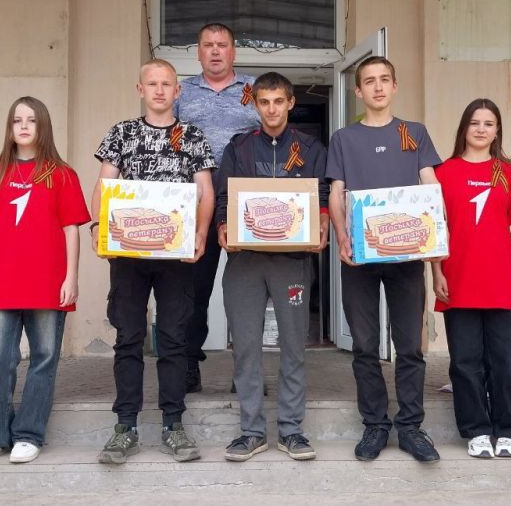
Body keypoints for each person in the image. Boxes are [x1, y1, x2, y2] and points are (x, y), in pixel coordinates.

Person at [90, 58, 215, 464]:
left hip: (175, 255)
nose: (160, 90)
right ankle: (125, 426)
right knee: (128, 337)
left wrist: (200, 233)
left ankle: (173, 425)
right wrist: (98, 227)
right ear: (140, 89)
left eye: (167, 84)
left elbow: (205, 191)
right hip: (128, 253)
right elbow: (105, 184)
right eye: (152, 84)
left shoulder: (193, 136)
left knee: (174, 338)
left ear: (178, 91)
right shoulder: (121, 133)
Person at [326, 56, 443, 463]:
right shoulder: (344, 138)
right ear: (358, 91)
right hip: (359, 255)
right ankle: (375, 425)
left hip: (406, 255)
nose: (377, 87)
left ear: (395, 86)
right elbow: (336, 192)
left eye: (384, 80)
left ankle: (410, 427)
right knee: (364, 345)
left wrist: (436, 242)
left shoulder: (414, 133)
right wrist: (342, 237)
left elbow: (431, 188)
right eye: (369, 81)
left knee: (409, 345)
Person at [214, 72, 330, 462]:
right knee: (246, 348)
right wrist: (223, 225)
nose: (272, 109)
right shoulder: (239, 147)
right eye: (264, 102)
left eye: (279, 101)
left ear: (291, 103)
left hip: (292, 262)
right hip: (245, 261)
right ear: (255, 104)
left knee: (293, 346)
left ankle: (292, 430)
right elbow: (224, 195)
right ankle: (251, 432)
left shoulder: (311, 148)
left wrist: (323, 222)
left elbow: (322, 194)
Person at [0, 97, 90, 465]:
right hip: (3, 283)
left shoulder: (62, 174)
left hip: (48, 281)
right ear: (9, 128)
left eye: (32, 120)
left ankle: (28, 434)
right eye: (17, 120)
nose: (23, 126)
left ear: (43, 127)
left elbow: (71, 229)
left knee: (43, 358)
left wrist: (71, 277)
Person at [432, 99, 511, 459]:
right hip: (457, 279)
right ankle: (476, 430)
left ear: (497, 130)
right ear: (464, 128)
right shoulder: (443, 173)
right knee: (465, 362)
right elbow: (434, 230)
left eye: (488, 123)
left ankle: (509, 431)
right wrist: (436, 272)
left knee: (507, 362)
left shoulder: (509, 174)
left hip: (502, 281)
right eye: (474, 123)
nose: (481, 129)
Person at [174, 23, 261, 393]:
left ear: (233, 51)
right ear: (198, 51)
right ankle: (188, 366)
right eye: (207, 45)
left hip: (245, 203)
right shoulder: (181, 91)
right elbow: (168, 139)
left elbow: (272, 133)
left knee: (249, 292)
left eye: (221, 45)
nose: (214, 51)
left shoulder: (254, 89)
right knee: (192, 290)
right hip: (196, 202)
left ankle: (248, 373)